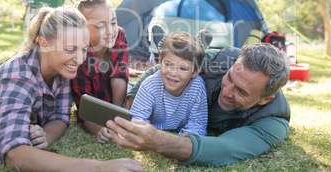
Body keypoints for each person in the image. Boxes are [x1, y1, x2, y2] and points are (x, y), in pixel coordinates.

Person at [0, 6, 143, 171]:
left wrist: (46, 136)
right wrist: (98, 168)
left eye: (84, 50)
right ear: (44, 44)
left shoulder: (63, 68)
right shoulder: (17, 77)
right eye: (70, 49)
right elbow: (14, 154)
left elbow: (61, 116)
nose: (79, 59)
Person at [108, 43, 291, 167]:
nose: (226, 92)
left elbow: (225, 148)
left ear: (265, 99)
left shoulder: (272, 121)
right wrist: (128, 107)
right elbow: (157, 71)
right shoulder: (216, 61)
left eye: (241, 92)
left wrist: (157, 140)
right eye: (229, 78)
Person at [72, 0, 129, 143]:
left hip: (117, 98)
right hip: (92, 103)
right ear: (82, 29)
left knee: (137, 92)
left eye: (113, 23)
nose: (110, 31)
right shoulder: (80, 55)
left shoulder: (119, 35)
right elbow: (85, 108)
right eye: (100, 26)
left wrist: (117, 117)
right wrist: (100, 129)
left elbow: (120, 77)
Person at [130, 31, 207, 136]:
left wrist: (187, 136)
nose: (173, 73)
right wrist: (153, 134)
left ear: (195, 72)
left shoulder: (197, 86)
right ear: (160, 61)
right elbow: (137, 120)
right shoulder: (150, 85)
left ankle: (201, 43)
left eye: (183, 68)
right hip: (154, 128)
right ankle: (153, 54)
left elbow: (198, 123)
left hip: (177, 130)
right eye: (168, 64)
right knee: (129, 90)